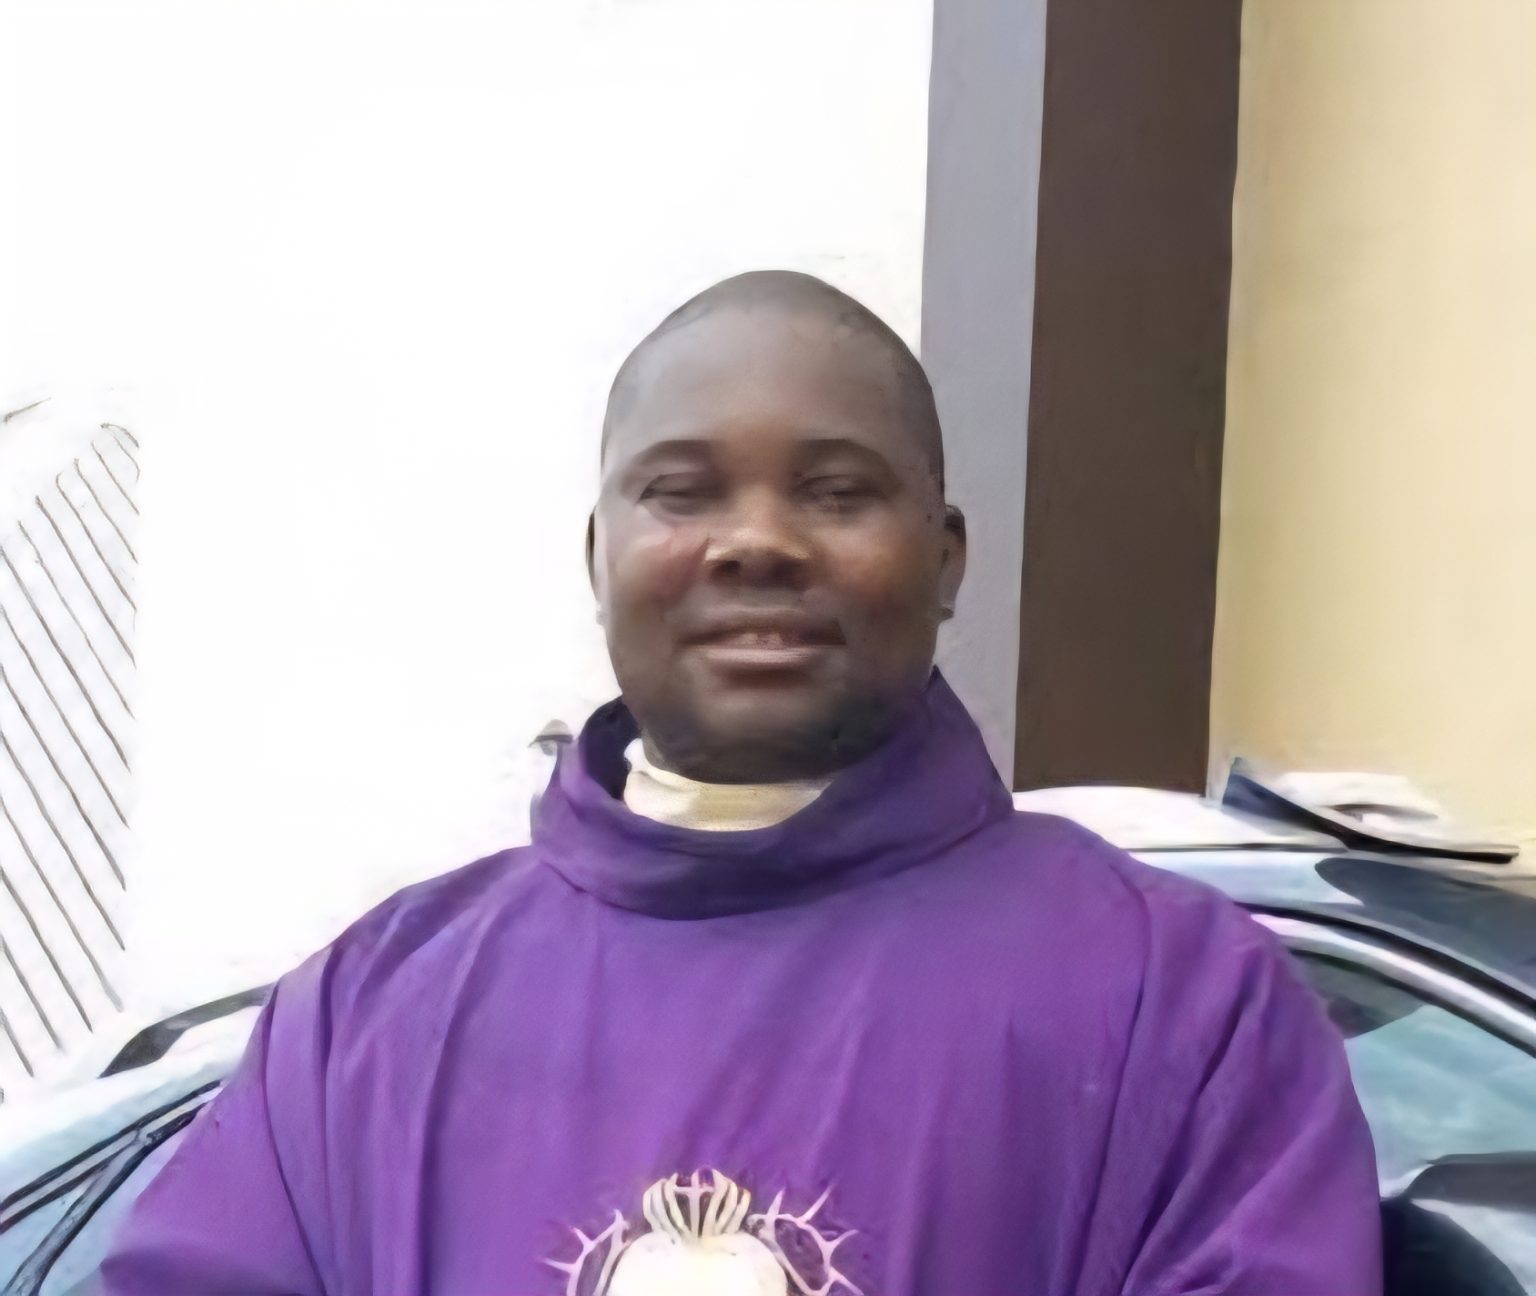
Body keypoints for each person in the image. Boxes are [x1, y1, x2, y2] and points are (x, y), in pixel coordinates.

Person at [100, 271, 1381, 1295]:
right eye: (682, 492)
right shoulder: (368, 1015)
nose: (757, 541)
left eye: (836, 491)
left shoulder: (1184, 1005)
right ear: (598, 556)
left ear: (945, 560)